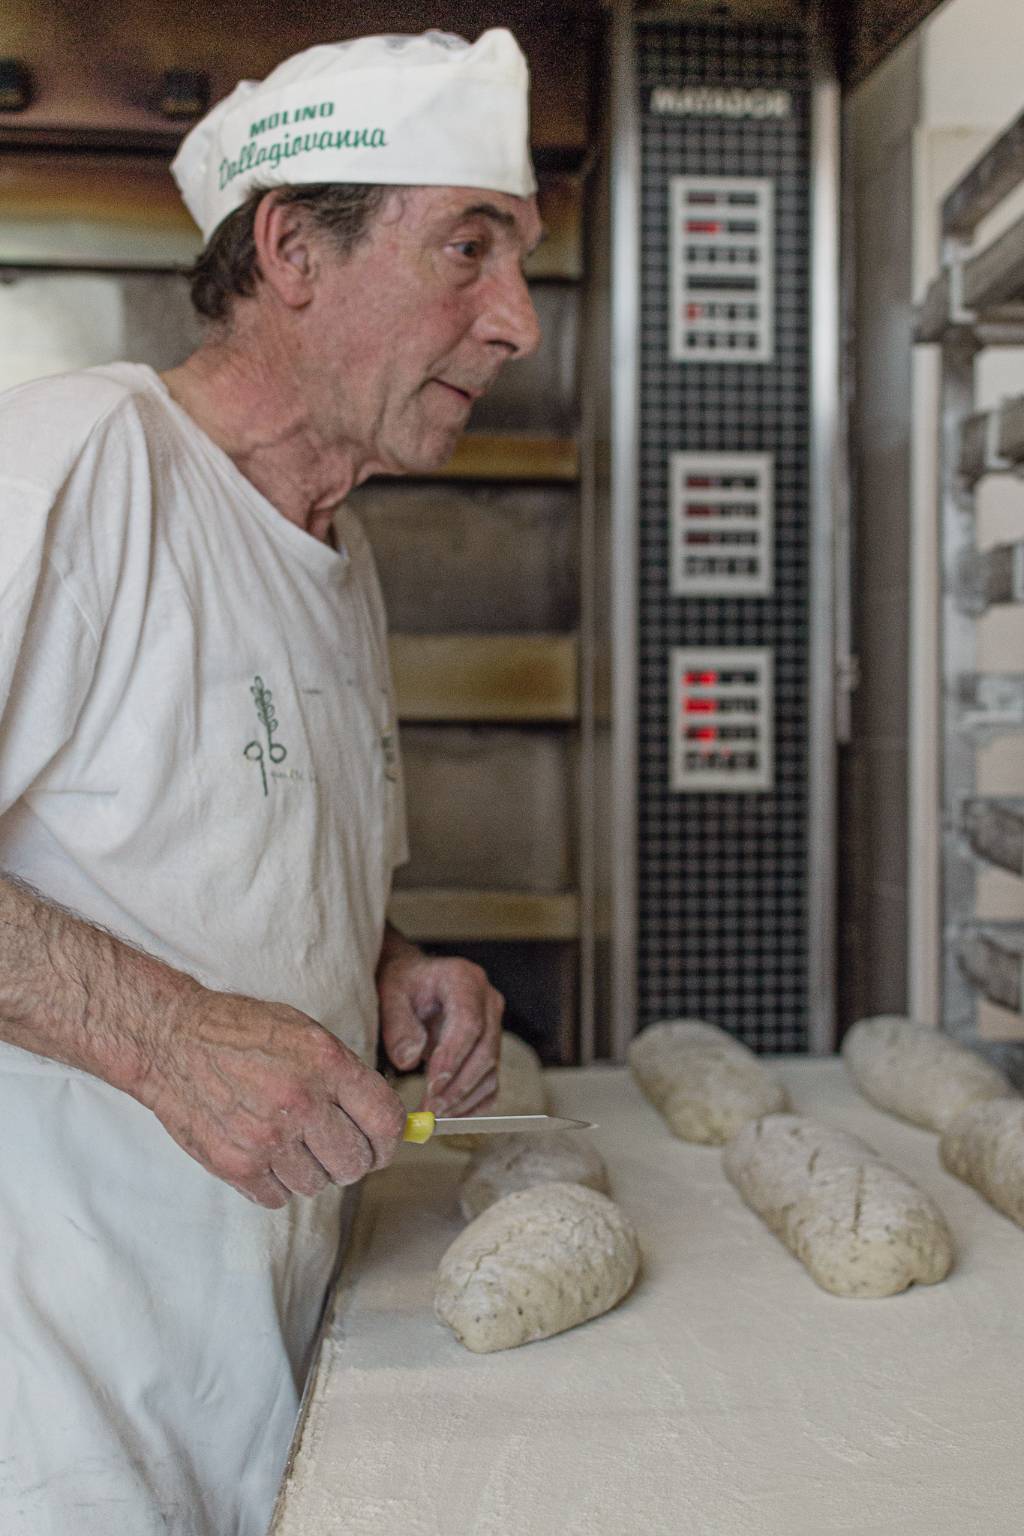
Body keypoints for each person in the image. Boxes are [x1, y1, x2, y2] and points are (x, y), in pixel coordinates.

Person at [0, 28, 541, 1536]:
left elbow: (237, 859)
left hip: (250, 1372)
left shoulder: (331, 549)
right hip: (47, 1404)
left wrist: (386, 966)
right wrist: (163, 1038)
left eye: (521, 259)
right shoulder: (73, 468)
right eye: (469, 249)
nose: (517, 323)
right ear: (293, 249)